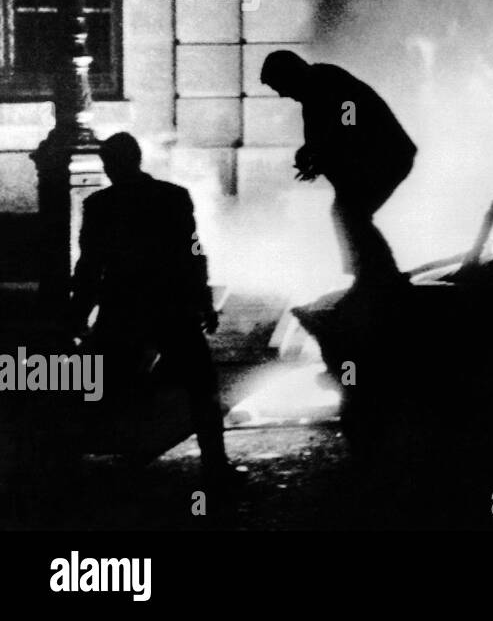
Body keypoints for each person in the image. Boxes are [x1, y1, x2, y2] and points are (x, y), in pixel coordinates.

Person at [68, 132, 233, 488]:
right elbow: (192, 253)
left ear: (111, 164)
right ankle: (215, 466)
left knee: (102, 383)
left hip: (122, 307)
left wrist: (78, 313)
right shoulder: (173, 197)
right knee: (200, 384)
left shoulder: (99, 205)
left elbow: (90, 266)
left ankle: (101, 459)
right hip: (170, 305)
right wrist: (202, 301)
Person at [259, 50, 417, 289]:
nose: (282, 94)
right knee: (349, 214)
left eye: (280, 85)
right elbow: (329, 135)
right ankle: (372, 274)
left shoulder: (331, 83)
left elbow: (348, 123)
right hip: (381, 158)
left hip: (388, 157)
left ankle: (378, 276)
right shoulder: (315, 92)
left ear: (291, 75)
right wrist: (311, 153)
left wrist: (320, 154)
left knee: (351, 213)